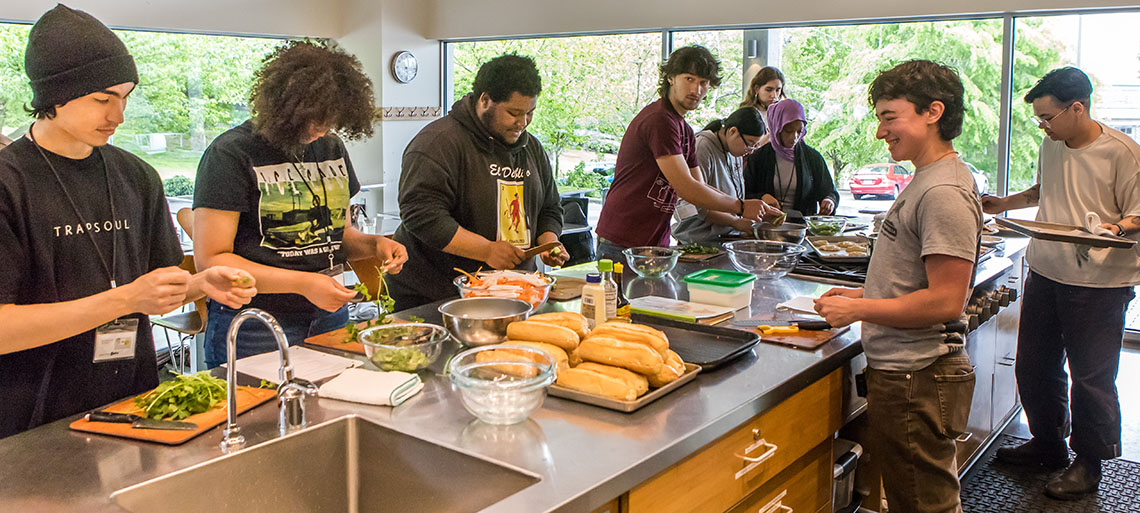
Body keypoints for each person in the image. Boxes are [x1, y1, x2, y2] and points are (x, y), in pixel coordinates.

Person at [0, 5, 256, 438]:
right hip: (32, 417)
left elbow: (154, 284)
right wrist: (123, 301)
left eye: (124, 97)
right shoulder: (10, 183)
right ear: (53, 96)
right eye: (102, 99)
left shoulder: (136, 176)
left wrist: (200, 284)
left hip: (133, 404)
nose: (117, 115)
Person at [814, 60, 982, 513]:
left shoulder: (941, 191)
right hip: (908, 373)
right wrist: (860, 295)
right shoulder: (928, 178)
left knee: (925, 504)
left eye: (890, 117)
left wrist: (860, 312)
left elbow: (947, 300)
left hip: (918, 376)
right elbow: (915, 280)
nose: (880, 131)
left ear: (933, 112)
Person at [193, 40, 407, 368]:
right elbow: (210, 260)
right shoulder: (231, 154)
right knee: (255, 417)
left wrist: (376, 245)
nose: (320, 130)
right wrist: (304, 283)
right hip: (255, 322)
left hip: (329, 314)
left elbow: (339, 236)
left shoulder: (331, 147)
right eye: (313, 119)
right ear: (283, 105)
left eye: (330, 121)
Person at [982, 67, 1140, 500]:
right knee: (1033, 366)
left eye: (1048, 117)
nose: (1043, 126)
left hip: (1100, 282)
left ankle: (1089, 462)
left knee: (1091, 378)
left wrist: (1115, 228)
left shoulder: (1122, 152)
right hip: (1047, 271)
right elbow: (1044, 190)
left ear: (1078, 107)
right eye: (1038, 119)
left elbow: (1139, 212)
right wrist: (1005, 203)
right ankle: (1048, 446)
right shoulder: (1050, 145)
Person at [386, 54, 567, 311]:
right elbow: (421, 215)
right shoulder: (437, 143)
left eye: (530, 113)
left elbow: (550, 207)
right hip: (435, 296)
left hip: (515, 293)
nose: (522, 123)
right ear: (484, 100)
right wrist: (485, 250)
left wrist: (547, 242)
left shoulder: (532, 148)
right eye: (513, 113)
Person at [595, 45, 780, 261]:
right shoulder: (660, 120)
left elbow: (701, 192)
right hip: (622, 240)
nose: (697, 90)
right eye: (689, 79)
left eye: (703, 83)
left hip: (655, 242)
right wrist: (740, 206)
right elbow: (686, 189)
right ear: (671, 78)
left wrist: (744, 215)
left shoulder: (684, 130)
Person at [671, 107, 766, 243]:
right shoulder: (702, 147)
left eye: (755, 147)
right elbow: (700, 204)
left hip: (725, 236)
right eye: (749, 144)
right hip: (698, 239)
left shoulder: (735, 151)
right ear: (733, 131)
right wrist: (735, 222)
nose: (750, 151)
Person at [743, 99, 838, 218]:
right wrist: (761, 197)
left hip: (801, 227)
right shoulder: (759, 157)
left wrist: (829, 201)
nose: (794, 137)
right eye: (788, 130)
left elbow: (829, 190)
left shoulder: (812, 158)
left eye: (799, 131)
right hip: (766, 224)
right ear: (777, 127)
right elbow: (744, 193)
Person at [740, 66, 787, 147]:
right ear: (756, 89)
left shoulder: (782, 114)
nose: (774, 95)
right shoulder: (746, 114)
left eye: (778, 90)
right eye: (769, 89)